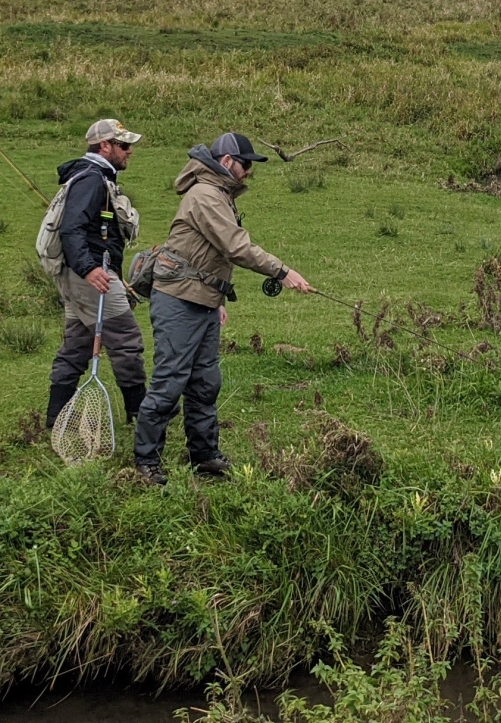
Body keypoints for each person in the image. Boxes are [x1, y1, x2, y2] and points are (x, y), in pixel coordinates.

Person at [133, 130, 312, 482]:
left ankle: (204, 456)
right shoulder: (205, 195)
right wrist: (283, 271)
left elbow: (207, 255)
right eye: (245, 165)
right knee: (169, 382)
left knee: (205, 382)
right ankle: (145, 463)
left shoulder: (218, 193)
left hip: (201, 298)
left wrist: (215, 299)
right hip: (179, 300)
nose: (249, 172)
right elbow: (235, 247)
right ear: (226, 161)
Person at [46, 117, 145, 430]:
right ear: (105, 146)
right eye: (124, 145)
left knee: (76, 345)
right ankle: (141, 410)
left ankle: (55, 415)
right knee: (127, 341)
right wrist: (90, 270)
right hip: (89, 277)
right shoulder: (91, 180)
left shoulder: (95, 177)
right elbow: (71, 230)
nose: (130, 152)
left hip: (84, 275)